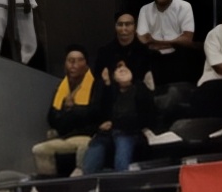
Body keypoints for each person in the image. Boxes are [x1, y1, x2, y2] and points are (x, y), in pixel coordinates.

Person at [32, 46, 103, 176]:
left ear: (86, 64)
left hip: (88, 135)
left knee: (87, 146)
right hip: (64, 135)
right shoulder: (61, 87)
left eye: (78, 60)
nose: (74, 65)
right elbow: (52, 118)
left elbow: (95, 113)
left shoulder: (96, 85)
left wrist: (72, 109)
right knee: (39, 149)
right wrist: (69, 111)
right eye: (70, 61)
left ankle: (80, 182)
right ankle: (48, 186)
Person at [82, 58, 155, 174]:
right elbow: (97, 114)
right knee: (89, 169)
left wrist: (114, 123)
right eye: (118, 67)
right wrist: (106, 85)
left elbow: (145, 117)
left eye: (125, 66)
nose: (122, 69)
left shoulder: (140, 89)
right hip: (105, 134)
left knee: (121, 166)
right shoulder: (109, 91)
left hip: (128, 132)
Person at [137, 0, 197, 87]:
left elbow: (187, 39)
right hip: (153, 59)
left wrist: (156, 42)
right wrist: (174, 42)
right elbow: (144, 40)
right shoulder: (145, 10)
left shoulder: (184, 7)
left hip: (178, 59)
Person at [90, 10, 152, 90]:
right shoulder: (104, 52)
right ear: (115, 27)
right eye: (120, 24)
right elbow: (98, 80)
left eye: (128, 24)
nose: (124, 28)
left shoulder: (145, 52)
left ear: (135, 27)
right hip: (111, 95)